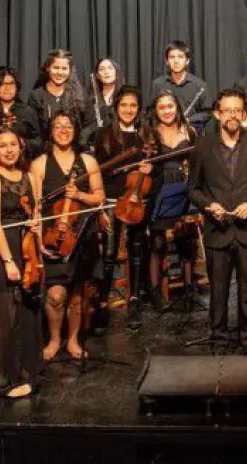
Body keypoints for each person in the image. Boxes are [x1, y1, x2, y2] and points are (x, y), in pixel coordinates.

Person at [188, 89, 247, 355]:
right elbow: (193, 188)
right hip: (217, 230)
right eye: (227, 110)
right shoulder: (203, 144)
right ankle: (218, 340)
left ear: (244, 114)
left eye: (237, 110)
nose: (232, 116)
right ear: (217, 114)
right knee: (217, 294)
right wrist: (208, 205)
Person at [30, 112, 105, 362]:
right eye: (58, 126)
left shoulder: (88, 161)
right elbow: (36, 208)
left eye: (69, 126)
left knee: (77, 295)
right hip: (55, 237)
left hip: (82, 234)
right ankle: (54, 339)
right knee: (55, 295)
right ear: (50, 132)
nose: (64, 130)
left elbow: (99, 197)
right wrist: (39, 240)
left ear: (75, 130)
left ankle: (72, 340)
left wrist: (79, 196)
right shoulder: (40, 164)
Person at [0, 127, 43, 398]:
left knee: (27, 310)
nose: (8, 150)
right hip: (1, 248)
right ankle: (3, 379)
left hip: (26, 244)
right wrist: (8, 260)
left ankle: (27, 374)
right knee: (5, 313)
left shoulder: (30, 175)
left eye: (13, 144)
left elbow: (37, 210)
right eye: (2, 145)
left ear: (21, 147)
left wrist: (37, 225)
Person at [93, 85, 154, 331]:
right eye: (124, 105)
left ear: (138, 109)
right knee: (109, 254)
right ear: (116, 107)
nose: (128, 110)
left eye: (133, 106)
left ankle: (135, 301)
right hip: (110, 199)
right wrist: (100, 205)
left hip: (137, 200)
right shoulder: (104, 134)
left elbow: (154, 170)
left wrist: (150, 170)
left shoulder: (146, 135)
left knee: (136, 251)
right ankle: (102, 304)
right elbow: (99, 171)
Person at [147, 90, 200, 313]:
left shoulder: (189, 131)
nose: (167, 111)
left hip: (184, 187)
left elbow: (198, 161)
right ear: (156, 111)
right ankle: (155, 291)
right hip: (160, 189)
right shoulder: (150, 134)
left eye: (170, 106)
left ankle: (189, 290)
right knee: (158, 244)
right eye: (162, 107)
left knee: (186, 240)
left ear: (177, 107)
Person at [28, 49, 89, 143]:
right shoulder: (36, 96)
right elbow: (34, 131)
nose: (60, 73)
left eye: (64, 68)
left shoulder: (81, 95)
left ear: (70, 70)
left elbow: (90, 124)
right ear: (48, 68)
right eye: (56, 67)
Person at [150, 41, 208, 121]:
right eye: (172, 57)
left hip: (190, 130)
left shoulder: (199, 85)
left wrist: (189, 120)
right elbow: (151, 111)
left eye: (180, 57)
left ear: (187, 61)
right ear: (167, 61)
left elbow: (207, 112)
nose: (176, 61)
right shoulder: (157, 84)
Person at [81, 56, 125, 148]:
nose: (106, 72)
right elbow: (85, 127)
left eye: (110, 68)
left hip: (121, 145)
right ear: (97, 75)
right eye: (102, 69)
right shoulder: (89, 99)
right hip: (95, 147)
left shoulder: (125, 96)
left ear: (116, 72)